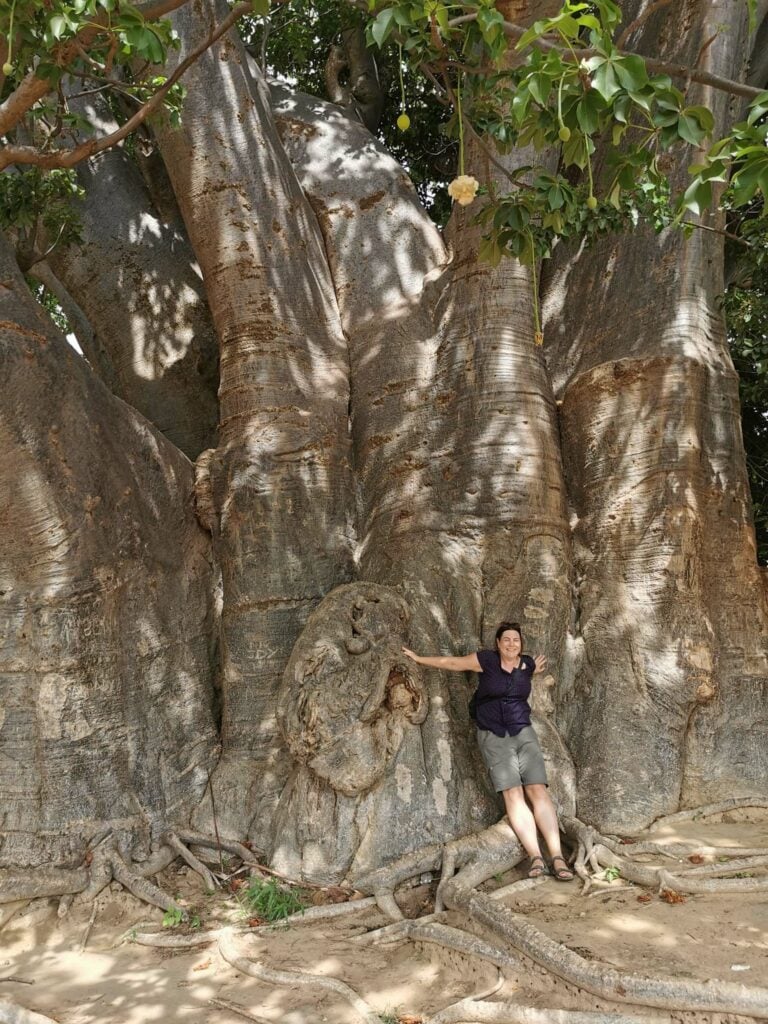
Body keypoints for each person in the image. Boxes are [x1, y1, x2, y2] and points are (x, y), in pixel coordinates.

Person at [402, 621, 574, 881]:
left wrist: (532, 672)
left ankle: (557, 856)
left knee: (537, 789)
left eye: (515, 640)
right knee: (513, 793)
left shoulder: (526, 664)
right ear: (497, 643)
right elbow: (453, 663)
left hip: (523, 732)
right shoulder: (486, 661)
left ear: (521, 644)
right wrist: (419, 659)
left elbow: (525, 675)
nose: (511, 644)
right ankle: (535, 856)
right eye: (506, 639)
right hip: (494, 734)